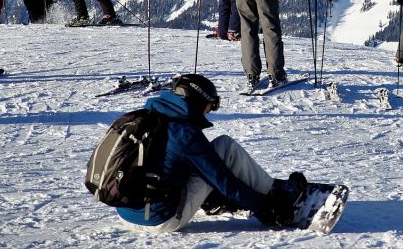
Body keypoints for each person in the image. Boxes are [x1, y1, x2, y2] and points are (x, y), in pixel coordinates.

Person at [117, 73, 310, 232]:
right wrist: (265, 207)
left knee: (188, 162)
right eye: (212, 105)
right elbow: (224, 181)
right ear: (199, 101)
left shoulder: (147, 118)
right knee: (224, 147)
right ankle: (275, 193)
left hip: (127, 212)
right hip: (160, 219)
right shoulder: (184, 134)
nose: (210, 111)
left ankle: (212, 200)